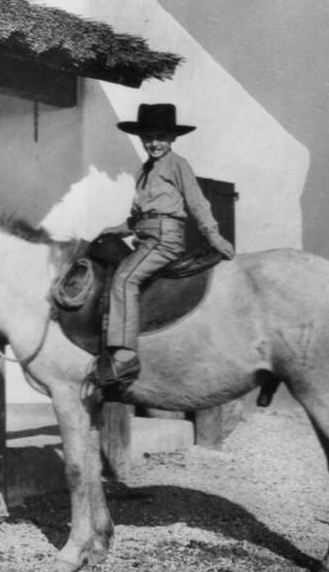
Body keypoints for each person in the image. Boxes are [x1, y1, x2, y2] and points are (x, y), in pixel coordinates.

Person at [99, 104, 235, 400]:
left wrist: (214, 235)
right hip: (144, 236)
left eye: (160, 137)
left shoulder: (177, 164)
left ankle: (124, 355)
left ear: (172, 139)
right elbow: (138, 217)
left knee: (125, 278)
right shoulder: (144, 171)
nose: (154, 143)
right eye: (148, 137)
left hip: (165, 239)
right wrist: (119, 228)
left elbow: (197, 202)